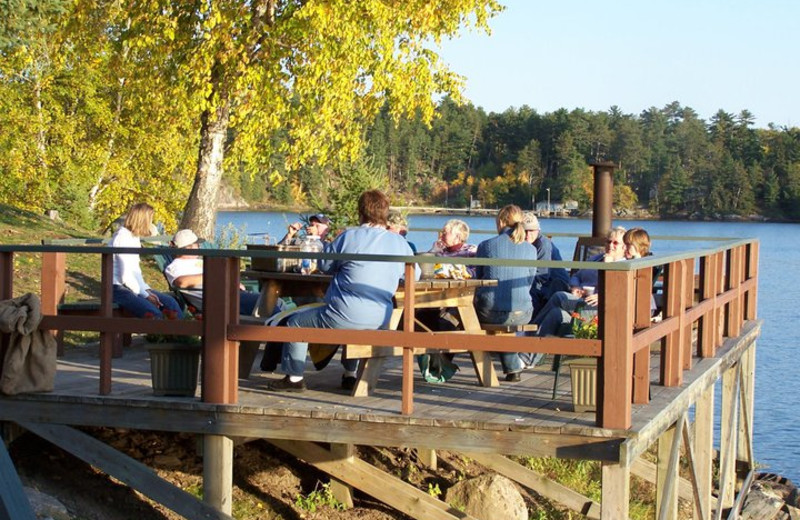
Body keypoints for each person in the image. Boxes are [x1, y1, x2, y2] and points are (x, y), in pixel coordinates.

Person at [266, 190, 419, 393]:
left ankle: (294, 378)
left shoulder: (350, 236)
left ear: (360, 212)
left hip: (343, 314)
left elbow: (324, 264)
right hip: (381, 318)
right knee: (353, 322)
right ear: (385, 213)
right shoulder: (400, 243)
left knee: (295, 323)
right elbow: (414, 275)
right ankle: (350, 375)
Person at [474, 205, 537, 382]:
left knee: (462, 315)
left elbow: (479, 280)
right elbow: (529, 281)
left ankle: (442, 362)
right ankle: (513, 369)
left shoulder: (486, 246)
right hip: (523, 312)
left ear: (501, 222)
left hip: (490, 311)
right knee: (503, 315)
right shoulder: (531, 250)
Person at [532, 226, 627, 338]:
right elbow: (577, 275)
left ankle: (529, 330)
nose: (611, 245)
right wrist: (575, 286)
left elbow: (618, 292)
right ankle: (527, 350)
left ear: (624, 247)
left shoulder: (623, 267)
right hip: (579, 300)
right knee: (555, 306)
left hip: (593, 308)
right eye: (608, 241)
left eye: (615, 243)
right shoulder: (596, 258)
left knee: (559, 297)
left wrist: (603, 295)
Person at [110, 203, 182, 319]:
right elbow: (126, 276)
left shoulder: (133, 238)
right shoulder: (122, 238)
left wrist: (146, 290)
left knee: (170, 304)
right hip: (118, 288)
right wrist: (145, 295)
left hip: (131, 287)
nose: (151, 224)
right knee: (154, 314)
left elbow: (135, 272)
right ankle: (160, 336)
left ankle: (178, 336)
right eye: (150, 220)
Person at [163, 229, 260, 315]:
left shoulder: (199, 261)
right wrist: (212, 273)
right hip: (219, 300)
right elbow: (181, 282)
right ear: (189, 248)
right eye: (197, 244)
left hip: (231, 294)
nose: (199, 247)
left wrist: (233, 282)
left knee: (268, 302)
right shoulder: (175, 266)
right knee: (265, 304)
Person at [520, 211, 569, 368]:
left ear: (538, 231)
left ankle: (525, 335)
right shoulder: (522, 244)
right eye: (525, 231)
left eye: (531, 231)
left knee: (528, 295)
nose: (528, 235)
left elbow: (541, 275)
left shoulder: (543, 245)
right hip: (539, 284)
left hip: (553, 286)